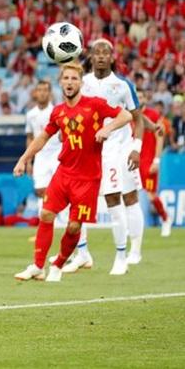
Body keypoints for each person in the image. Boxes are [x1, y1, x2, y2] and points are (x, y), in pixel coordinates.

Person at [14, 62, 132, 282]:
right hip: (64, 173)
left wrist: (107, 128)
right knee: (46, 214)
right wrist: (24, 159)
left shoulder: (95, 105)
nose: (69, 82)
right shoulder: (58, 112)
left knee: (74, 226)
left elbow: (126, 116)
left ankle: (58, 264)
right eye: (66, 79)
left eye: (74, 79)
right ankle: (38, 266)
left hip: (88, 178)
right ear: (61, 83)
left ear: (81, 83)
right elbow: (42, 138)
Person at [65, 39, 145, 274]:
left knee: (121, 199)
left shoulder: (122, 85)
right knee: (76, 201)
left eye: (105, 53)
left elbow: (136, 117)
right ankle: (82, 253)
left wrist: (136, 147)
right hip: (87, 151)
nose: (100, 56)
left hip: (117, 150)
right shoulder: (82, 82)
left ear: (112, 57)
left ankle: (126, 254)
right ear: (90, 56)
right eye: (96, 52)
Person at [25, 80, 61, 213]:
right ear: (35, 93)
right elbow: (30, 137)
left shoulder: (56, 111)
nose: (42, 93)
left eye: (45, 90)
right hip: (40, 157)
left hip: (57, 155)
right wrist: (29, 160)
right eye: (39, 90)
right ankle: (45, 224)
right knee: (40, 190)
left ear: (49, 93)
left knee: (60, 190)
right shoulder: (30, 115)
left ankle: (62, 222)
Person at [140, 98, 172, 237]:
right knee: (130, 195)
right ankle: (133, 226)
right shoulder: (131, 114)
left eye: (141, 97)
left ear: (145, 99)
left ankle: (165, 218)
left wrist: (157, 160)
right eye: (137, 96)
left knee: (151, 195)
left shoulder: (152, 114)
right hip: (135, 161)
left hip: (149, 161)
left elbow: (160, 136)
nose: (139, 99)